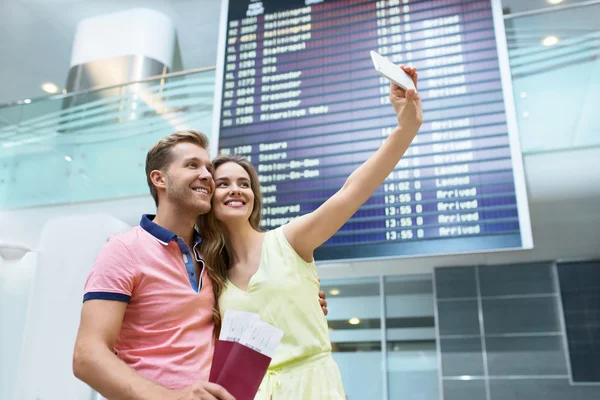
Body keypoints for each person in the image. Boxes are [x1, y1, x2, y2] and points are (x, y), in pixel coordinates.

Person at [196, 65, 422, 399]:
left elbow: (351, 192)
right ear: (208, 196)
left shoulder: (289, 241)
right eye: (224, 183)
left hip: (312, 388)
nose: (236, 190)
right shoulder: (211, 274)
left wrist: (406, 127)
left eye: (244, 184)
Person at [72, 129, 330, 400]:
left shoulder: (214, 258)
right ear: (159, 178)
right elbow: (87, 356)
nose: (207, 175)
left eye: (208, 168)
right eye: (192, 165)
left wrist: (302, 298)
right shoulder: (122, 250)